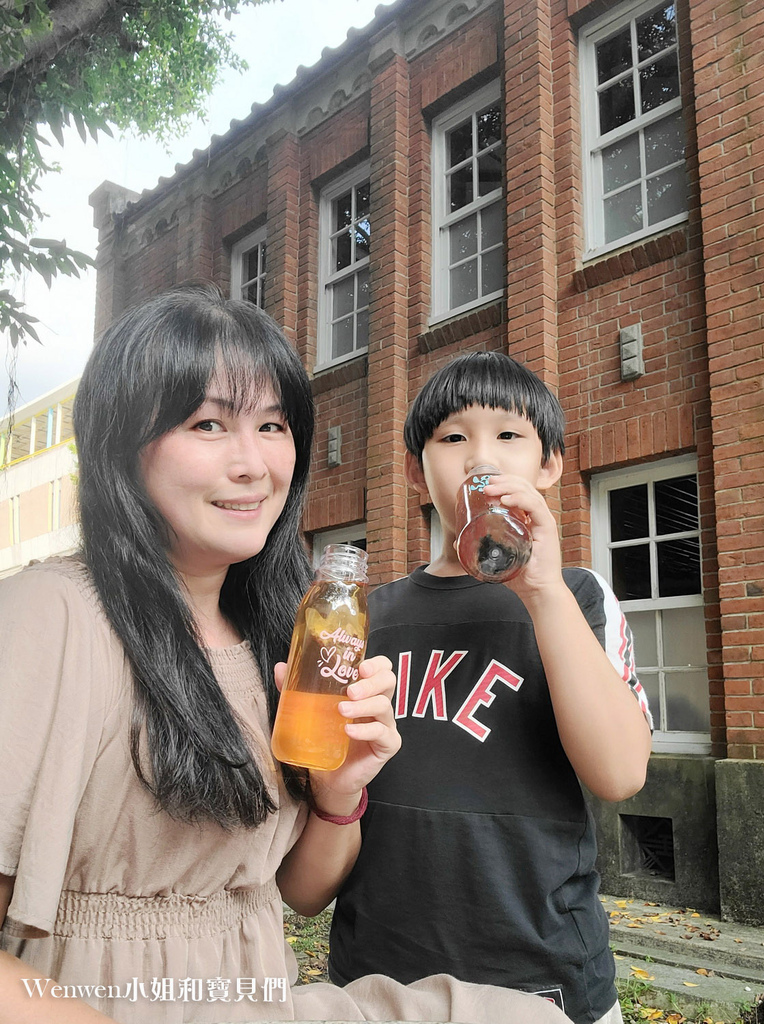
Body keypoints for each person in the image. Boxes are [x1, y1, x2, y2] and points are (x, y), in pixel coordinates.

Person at [0, 290, 572, 1024]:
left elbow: (298, 893)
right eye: (209, 423)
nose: (253, 464)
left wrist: (338, 795)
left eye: (272, 425)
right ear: (119, 441)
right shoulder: (52, 616)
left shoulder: (283, 630)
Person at [328, 350, 654, 1024]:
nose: (481, 459)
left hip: (542, 981)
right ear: (419, 473)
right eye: (453, 438)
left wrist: (542, 592)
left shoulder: (578, 598)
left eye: (509, 436)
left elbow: (621, 773)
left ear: (550, 465)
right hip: (377, 977)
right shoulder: (370, 617)